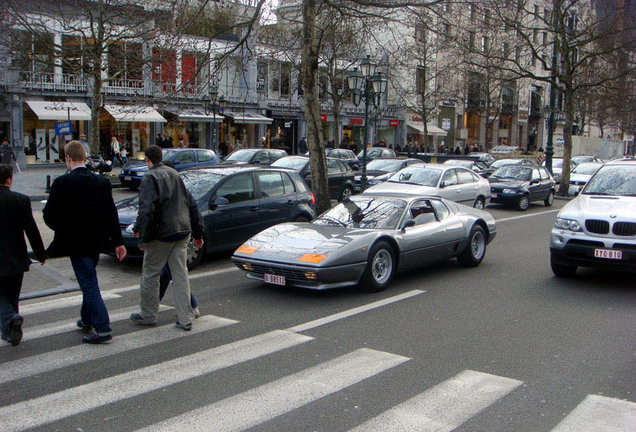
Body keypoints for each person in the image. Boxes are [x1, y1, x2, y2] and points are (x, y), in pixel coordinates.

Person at [43, 141, 127, 344]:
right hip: (96, 241)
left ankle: (103, 326)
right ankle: (86, 319)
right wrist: (118, 242)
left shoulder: (62, 182)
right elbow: (111, 214)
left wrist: (62, 228)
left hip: (75, 242)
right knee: (89, 277)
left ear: (68, 159)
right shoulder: (101, 182)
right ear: (85, 158)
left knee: (88, 282)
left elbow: (48, 215)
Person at [130, 145, 198, 331]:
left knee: (151, 273)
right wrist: (197, 231)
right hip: (182, 230)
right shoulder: (175, 174)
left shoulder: (149, 177)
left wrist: (142, 237)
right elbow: (190, 204)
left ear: (148, 160)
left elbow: (146, 210)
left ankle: (148, 314)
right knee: (180, 275)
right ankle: (185, 318)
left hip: (161, 233)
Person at [0, 164, 47, 346]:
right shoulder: (21, 200)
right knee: (12, 295)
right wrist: (40, 254)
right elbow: (32, 230)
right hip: (17, 258)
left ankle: (11, 320)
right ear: (9, 180)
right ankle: (10, 330)